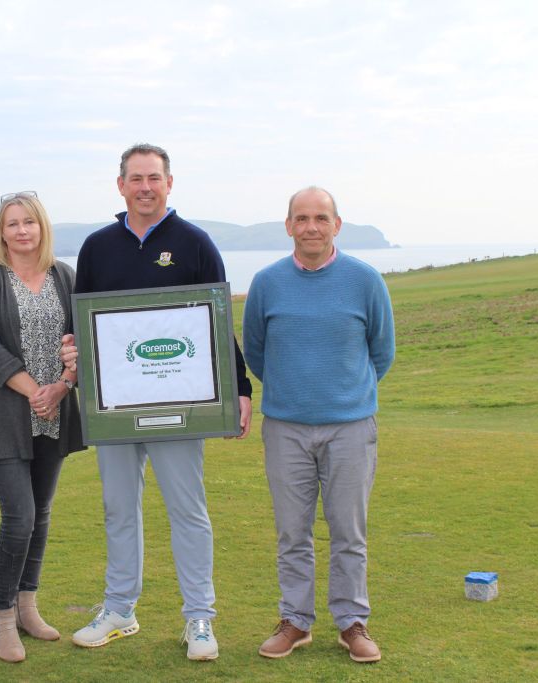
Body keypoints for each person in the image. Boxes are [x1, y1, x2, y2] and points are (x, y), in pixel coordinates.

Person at [62, 144, 253, 661]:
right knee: (118, 509)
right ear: (120, 185)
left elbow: (218, 322)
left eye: (154, 178)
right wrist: (71, 349)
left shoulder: (195, 243)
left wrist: (240, 388)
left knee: (188, 510)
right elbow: (83, 324)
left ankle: (199, 618)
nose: (145, 187)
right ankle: (119, 609)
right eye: (136, 178)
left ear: (169, 183)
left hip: (180, 406)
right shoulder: (97, 247)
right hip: (115, 407)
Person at [242, 186, 395, 663]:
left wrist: (342, 394)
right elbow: (256, 352)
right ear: (289, 226)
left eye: (321, 218)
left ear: (336, 225)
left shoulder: (365, 280)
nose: (312, 227)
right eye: (302, 218)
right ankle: (295, 621)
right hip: (286, 429)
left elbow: (382, 351)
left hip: (350, 429)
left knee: (349, 533)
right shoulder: (266, 283)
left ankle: (352, 623)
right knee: (293, 533)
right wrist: (295, 392)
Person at [0, 191, 84, 663]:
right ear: (2, 231)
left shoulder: (64, 275)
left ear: (42, 226)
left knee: (42, 512)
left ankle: (27, 605)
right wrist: (37, 390)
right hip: (4, 412)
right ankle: (1, 614)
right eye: (12, 223)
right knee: (20, 516)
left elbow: (81, 341)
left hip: (55, 411)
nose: (21, 231)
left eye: (28, 222)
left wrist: (63, 386)